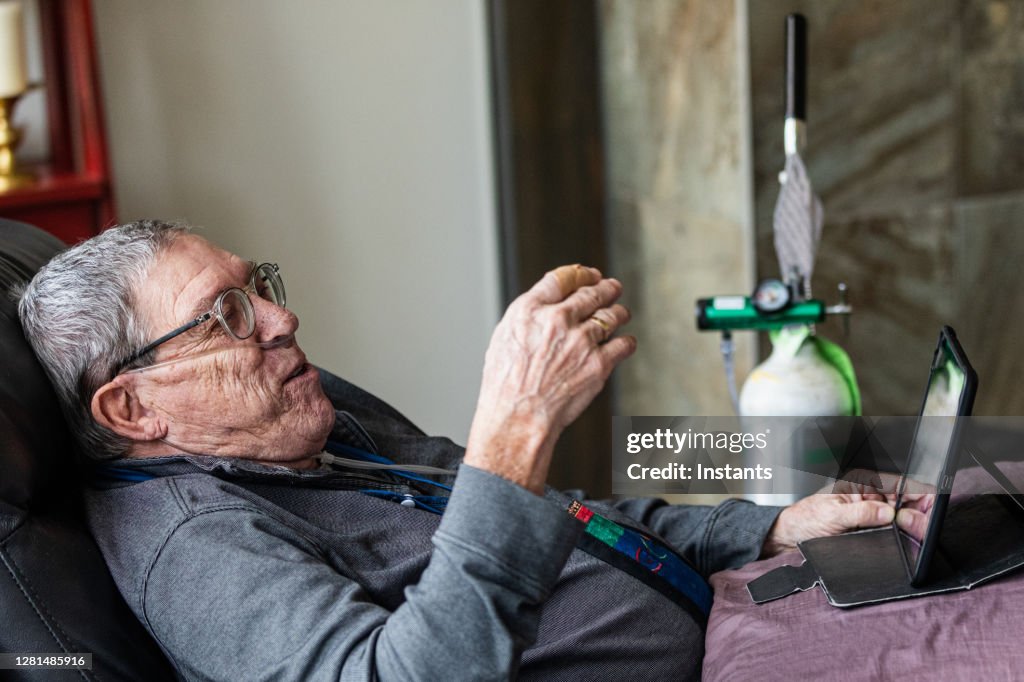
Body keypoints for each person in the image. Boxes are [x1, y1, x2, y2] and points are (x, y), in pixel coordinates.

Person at [18, 220, 897, 681]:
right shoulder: (196, 552)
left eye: (261, 289)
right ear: (133, 406)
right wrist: (512, 437)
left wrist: (769, 526)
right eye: (230, 316)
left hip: (730, 615)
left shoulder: (302, 418)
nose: (284, 321)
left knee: (944, 523)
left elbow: (564, 523)